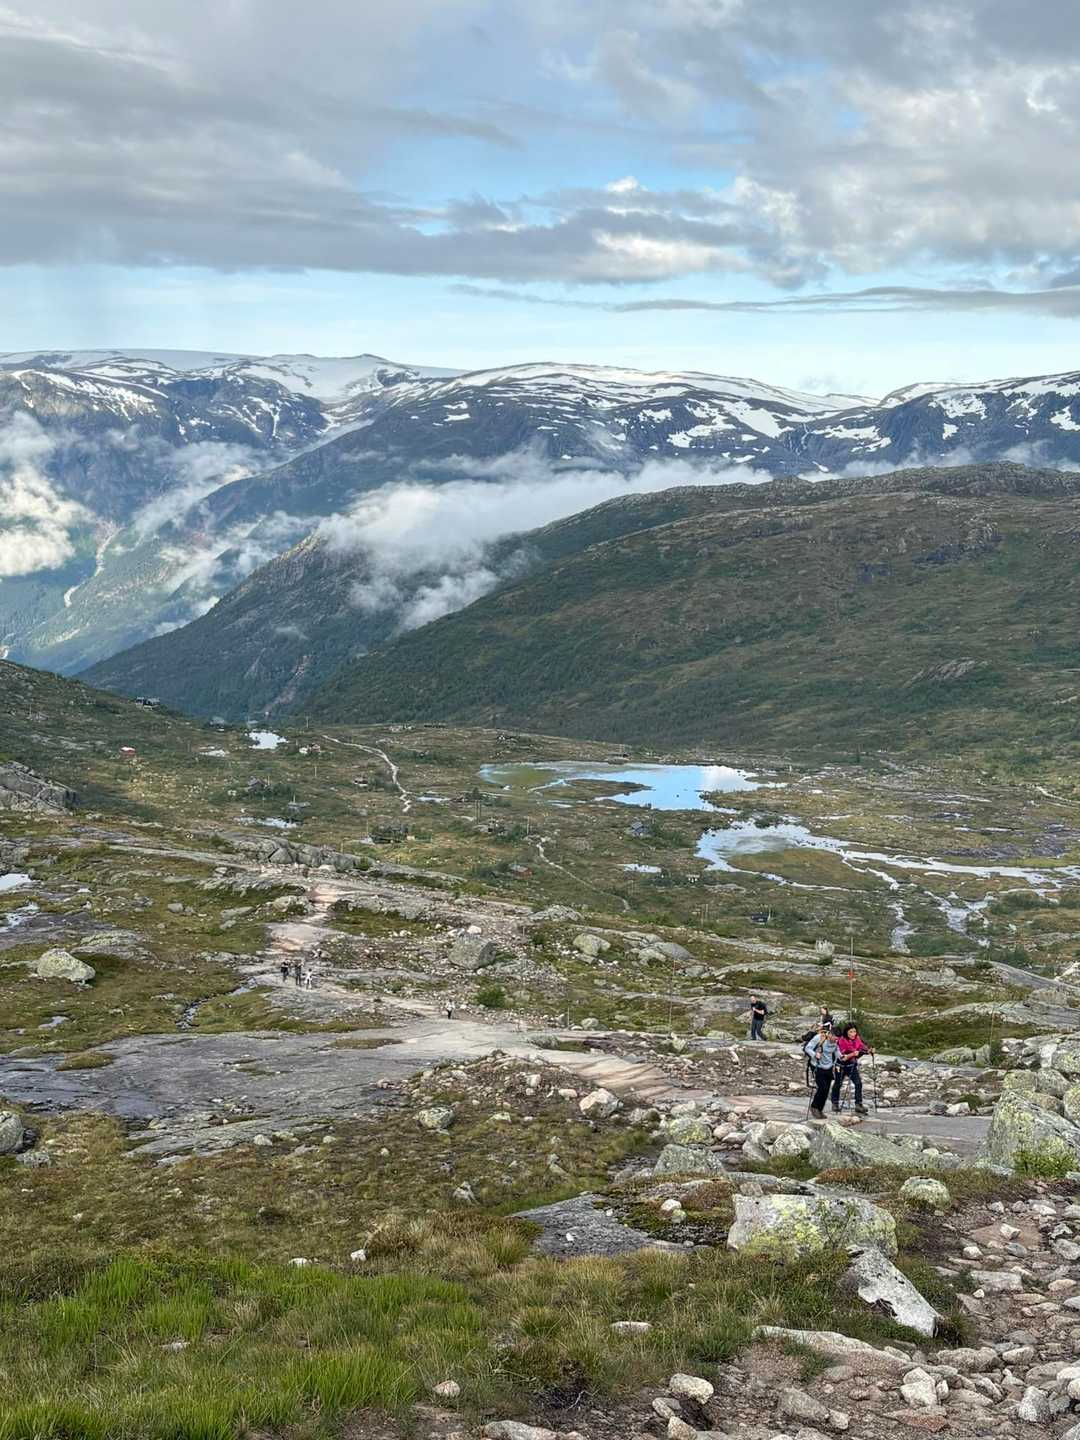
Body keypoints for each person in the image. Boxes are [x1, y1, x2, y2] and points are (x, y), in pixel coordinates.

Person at [832, 1023, 872, 1115]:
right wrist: (853, 1054)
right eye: (851, 1032)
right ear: (846, 1032)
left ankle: (858, 1105)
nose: (853, 1034)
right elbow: (842, 1056)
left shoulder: (857, 1039)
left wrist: (869, 1051)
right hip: (840, 1066)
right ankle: (835, 1103)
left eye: (854, 1031)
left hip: (851, 1065)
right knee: (838, 1084)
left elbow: (862, 1047)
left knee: (858, 1083)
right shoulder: (842, 1040)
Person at [804, 1024, 840, 1118]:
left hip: (829, 1066)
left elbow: (836, 1050)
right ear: (830, 1034)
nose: (835, 1040)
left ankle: (819, 1110)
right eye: (834, 1038)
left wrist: (841, 1056)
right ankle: (814, 1107)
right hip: (817, 1065)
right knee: (822, 1087)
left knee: (826, 1089)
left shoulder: (836, 1042)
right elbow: (807, 1048)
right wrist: (815, 1054)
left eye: (837, 1039)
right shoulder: (819, 1037)